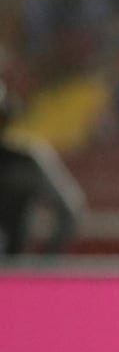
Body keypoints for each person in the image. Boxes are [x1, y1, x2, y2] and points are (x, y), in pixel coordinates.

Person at [0, 82, 87, 256]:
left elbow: (70, 212)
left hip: (12, 268)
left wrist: (44, 266)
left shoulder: (27, 160)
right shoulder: (28, 159)